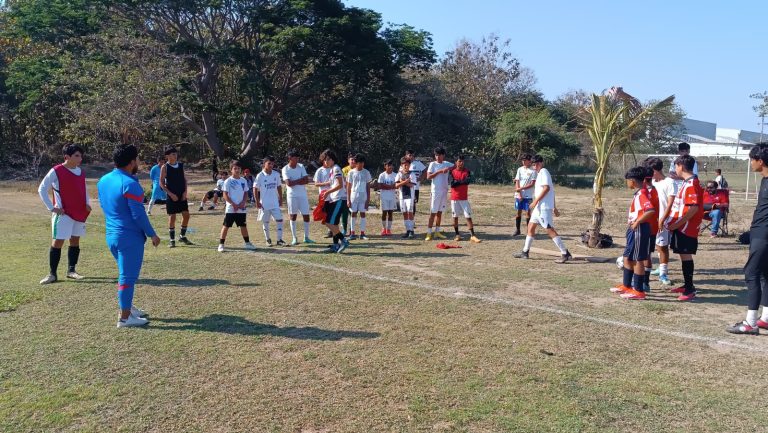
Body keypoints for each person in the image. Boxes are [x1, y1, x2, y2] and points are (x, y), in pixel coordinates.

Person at [97, 144, 161, 328]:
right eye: (138, 159)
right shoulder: (131, 184)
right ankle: (125, 318)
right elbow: (138, 215)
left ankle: (128, 308)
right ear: (132, 161)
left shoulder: (103, 180)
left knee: (125, 274)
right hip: (129, 238)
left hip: (111, 236)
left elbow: (106, 206)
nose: (139, 162)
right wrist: (152, 234)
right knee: (127, 277)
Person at [726, 144, 768, 334]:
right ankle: (765, 318)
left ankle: (750, 323)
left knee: (751, 273)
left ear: (760, 161)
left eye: (752, 159)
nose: (751, 163)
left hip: (764, 235)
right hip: (759, 233)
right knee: (766, 274)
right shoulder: (764, 180)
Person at [37, 144, 92, 284]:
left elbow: (83, 189)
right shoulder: (56, 171)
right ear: (66, 157)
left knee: (75, 240)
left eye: (81, 155)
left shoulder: (81, 172)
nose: (80, 158)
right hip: (64, 213)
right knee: (58, 242)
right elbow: (42, 189)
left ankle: (71, 271)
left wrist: (87, 203)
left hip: (79, 213)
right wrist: (52, 208)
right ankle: (52, 274)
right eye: (77, 156)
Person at [513, 155, 572, 263]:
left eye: (536, 164)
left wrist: (536, 202)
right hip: (538, 208)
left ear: (541, 163)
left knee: (549, 230)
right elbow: (552, 191)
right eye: (533, 164)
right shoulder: (539, 173)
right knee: (530, 227)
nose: (535, 166)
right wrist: (554, 206)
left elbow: (547, 188)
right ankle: (525, 252)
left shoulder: (544, 171)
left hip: (543, 207)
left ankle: (565, 253)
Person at [609, 167, 657, 300]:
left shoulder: (642, 194)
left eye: (627, 181)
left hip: (639, 229)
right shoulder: (639, 193)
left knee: (638, 259)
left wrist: (637, 222)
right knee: (627, 257)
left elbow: (650, 211)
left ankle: (639, 290)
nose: (627, 183)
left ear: (632, 181)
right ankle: (627, 286)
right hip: (633, 229)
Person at [665, 154, 703, 302]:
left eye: (675, 166)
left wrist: (678, 224)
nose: (675, 169)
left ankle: (690, 289)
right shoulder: (687, 182)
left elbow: (693, 208)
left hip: (686, 228)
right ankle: (687, 285)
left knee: (686, 256)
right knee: (682, 255)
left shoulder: (692, 183)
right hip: (681, 227)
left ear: (680, 166)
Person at [646, 157, 676, 286]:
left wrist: (662, 219)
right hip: (649, 220)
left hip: (662, 220)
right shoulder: (650, 182)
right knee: (648, 247)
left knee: (662, 246)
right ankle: (647, 272)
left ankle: (663, 273)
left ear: (654, 170)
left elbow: (670, 204)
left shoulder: (669, 182)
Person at [218, 160, 256, 252]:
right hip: (231, 208)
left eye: (238, 168)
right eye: (235, 168)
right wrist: (233, 204)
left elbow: (246, 192)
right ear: (231, 170)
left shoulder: (243, 180)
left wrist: (243, 202)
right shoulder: (228, 181)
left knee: (243, 226)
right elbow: (225, 195)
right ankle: (221, 244)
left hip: (241, 208)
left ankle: (247, 243)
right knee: (226, 226)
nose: (237, 170)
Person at [159, 146, 193, 248]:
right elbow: (161, 183)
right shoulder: (164, 167)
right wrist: (170, 194)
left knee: (186, 215)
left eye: (176, 154)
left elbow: (184, 180)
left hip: (181, 194)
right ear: (167, 156)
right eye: (173, 154)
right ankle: (172, 240)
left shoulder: (180, 165)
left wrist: (185, 193)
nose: (175, 155)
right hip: (172, 196)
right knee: (172, 217)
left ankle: (182, 236)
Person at [319, 149, 350, 253]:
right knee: (334, 224)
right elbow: (334, 183)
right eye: (324, 160)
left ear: (332, 160)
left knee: (329, 222)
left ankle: (344, 240)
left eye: (327, 159)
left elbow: (340, 185)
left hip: (339, 199)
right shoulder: (333, 169)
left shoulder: (336, 169)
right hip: (335, 199)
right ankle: (336, 245)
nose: (325, 162)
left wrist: (328, 192)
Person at [281, 150, 314, 245]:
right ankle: (294, 238)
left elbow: (306, 181)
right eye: (295, 157)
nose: (297, 159)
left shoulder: (301, 166)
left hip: (302, 195)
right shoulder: (285, 169)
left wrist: (295, 181)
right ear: (290, 158)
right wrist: (300, 180)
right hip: (292, 196)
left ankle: (306, 237)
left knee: (306, 216)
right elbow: (289, 183)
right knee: (293, 216)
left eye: (297, 158)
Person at [254, 156, 285, 246]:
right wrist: (257, 201)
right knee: (266, 221)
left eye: (272, 163)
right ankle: (268, 240)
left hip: (275, 203)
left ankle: (279, 240)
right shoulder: (260, 175)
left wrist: (280, 198)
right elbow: (255, 188)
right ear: (264, 164)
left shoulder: (276, 174)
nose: (271, 165)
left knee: (279, 220)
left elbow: (279, 186)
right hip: (264, 204)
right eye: (269, 163)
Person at [450, 155, 481, 243]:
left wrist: (458, 182)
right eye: (459, 161)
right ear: (456, 162)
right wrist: (461, 181)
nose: (461, 163)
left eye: (462, 161)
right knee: (455, 216)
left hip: (464, 198)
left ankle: (473, 235)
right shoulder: (452, 172)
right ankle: (457, 235)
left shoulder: (467, 171)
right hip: (454, 198)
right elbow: (452, 184)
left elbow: (467, 181)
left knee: (468, 216)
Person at [425, 147, 454, 241]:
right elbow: (428, 177)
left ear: (443, 155)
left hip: (444, 191)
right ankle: (429, 233)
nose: (437, 157)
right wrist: (439, 172)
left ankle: (437, 232)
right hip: (435, 191)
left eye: (439, 155)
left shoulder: (446, 163)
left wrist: (448, 168)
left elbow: (455, 166)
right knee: (433, 213)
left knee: (439, 212)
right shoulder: (432, 164)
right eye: (436, 155)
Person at [346, 153, 372, 240]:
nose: (361, 164)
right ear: (356, 163)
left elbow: (368, 187)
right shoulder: (351, 172)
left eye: (362, 162)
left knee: (363, 214)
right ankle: (352, 233)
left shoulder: (366, 172)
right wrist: (348, 200)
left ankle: (362, 233)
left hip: (363, 197)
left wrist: (368, 199)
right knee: (353, 213)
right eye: (360, 162)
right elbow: (348, 187)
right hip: (353, 197)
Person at [513, 154, 537, 236]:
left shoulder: (533, 171)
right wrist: (519, 193)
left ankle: (528, 231)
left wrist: (521, 188)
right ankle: (517, 230)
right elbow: (517, 181)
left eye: (525, 160)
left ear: (529, 161)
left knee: (528, 213)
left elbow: (532, 184)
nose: (523, 161)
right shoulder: (519, 169)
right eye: (522, 160)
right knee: (518, 212)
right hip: (519, 195)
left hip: (528, 195)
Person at [395, 157, 418, 239]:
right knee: (404, 213)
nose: (406, 167)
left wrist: (402, 182)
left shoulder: (412, 174)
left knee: (410, 212)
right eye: (404, 165)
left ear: (409, 165)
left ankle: (411, 231)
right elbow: (396, 185)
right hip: (402, 197)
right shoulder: (399, 174)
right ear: (401, 165)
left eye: (407, 165)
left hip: (410, 196)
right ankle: (407, 230)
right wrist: (405, 182)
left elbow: (412, 185)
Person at [313, 157, 333, 238]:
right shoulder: (319, 171)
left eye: (328, 160)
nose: (327, 162)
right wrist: (326, 183)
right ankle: (330, 230)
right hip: (324, 196)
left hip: (333, 195)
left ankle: (332, 230)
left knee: (332, 213)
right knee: (325, 214)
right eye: (325, 160)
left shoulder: (333, 169)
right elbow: (316, 184)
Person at [377, 159, 398, 236]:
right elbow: (380, 185)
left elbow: (396, 185)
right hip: (384, 197)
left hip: (392, 196)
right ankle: (384, 229)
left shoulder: (395, 175)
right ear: (385, 166)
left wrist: (387, 186)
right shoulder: (382, 175)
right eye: (388, 165)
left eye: (391, 165)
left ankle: (388, 229)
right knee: (384, 213)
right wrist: (390, 186)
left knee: (390, 213)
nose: (390, 167)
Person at [405, 149, 427, 215]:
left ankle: (412, 220)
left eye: (412, 155)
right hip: (406, 187)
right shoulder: (404, 164)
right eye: (409, 155)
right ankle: (407, 220)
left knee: (413, 203)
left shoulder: (417, 163)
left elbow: (425, 170)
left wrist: (421, 178)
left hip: (415, 187)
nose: (411, 157)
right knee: (406, 203)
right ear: (406, 156)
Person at [340, 152, 356, 235]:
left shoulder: (358, 169)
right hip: (345, 194)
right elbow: (342, 181)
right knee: (344, 213)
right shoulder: (344, 170)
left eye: (354, 159)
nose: (353, 161)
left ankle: (351, 229)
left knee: (353, 213)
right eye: (351, 159)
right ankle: (344, 229)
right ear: (348, 160)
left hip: (354, 194)